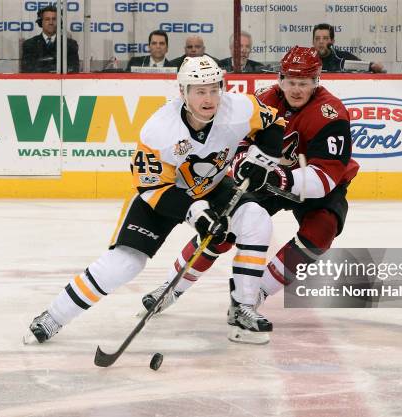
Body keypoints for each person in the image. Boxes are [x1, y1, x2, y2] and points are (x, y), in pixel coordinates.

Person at [24, 56, 286, 345]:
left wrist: (261, 160)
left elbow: (274, 121)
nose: (209, 98)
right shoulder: (159, 129)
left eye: (214, 89)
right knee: (125, 263)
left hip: (213, 186)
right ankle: (53, 316)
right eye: (200, 91)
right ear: (183, 92)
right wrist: (195, 212)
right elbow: (153, 189)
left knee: (256, 220)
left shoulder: (239, 108)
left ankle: (243, 307)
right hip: (165, 195)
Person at [141, 46, 360, 343]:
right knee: (222, 226)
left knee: (321, 232)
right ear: (280, 79)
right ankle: (171, 287)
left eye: (304, 83)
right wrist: (245, 162)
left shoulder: (330, 113)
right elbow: (237, 141)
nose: (297, 89)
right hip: (268, 178)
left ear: (316, 81)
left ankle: (253, 296)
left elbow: (325, 178)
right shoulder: (264, 100)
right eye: (291, 82)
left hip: (310, 183)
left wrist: (277, 175)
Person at [21, 5, 79, 73]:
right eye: (47, 19)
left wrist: (43, 67)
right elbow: (27, 69)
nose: (51, 23)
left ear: (59, 22)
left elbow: (73, 68)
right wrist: (55, 69)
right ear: (40, 22)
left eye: (54, 19)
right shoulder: (29, 44)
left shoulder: (70, 44)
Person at [312, 23, 384, 73]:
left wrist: (373, 66)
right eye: (317, 38)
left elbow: (363, 66)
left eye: (325, 38)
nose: (321, 42)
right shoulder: (305, 60)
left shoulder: (342, 57)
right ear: (313, 42)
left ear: (332, 41)